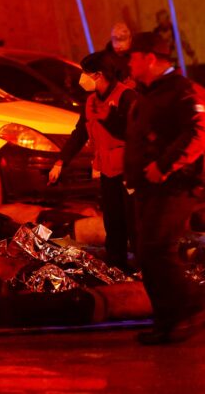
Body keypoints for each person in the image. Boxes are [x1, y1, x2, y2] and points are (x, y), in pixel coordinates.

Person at [125, 32, 205, 345]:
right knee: (147, 253)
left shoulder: (182, 91)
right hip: (148, 187)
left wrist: (163, 165)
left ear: (149, 58)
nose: (128, 63)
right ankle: (168, 321)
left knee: (157, 249)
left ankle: (192, 307)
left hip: (175, 185)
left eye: (132, 57)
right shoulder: (147, 93)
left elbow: (199, 132)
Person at [49, 51, 137, 273]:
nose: (82, 78)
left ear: (98, 74)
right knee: (113, 222)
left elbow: (137, 135)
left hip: (129, 171)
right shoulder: (90, 102)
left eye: (85, 73)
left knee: (134, 222)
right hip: (107, 171)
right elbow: (80, 133)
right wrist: (61, 161)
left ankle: (144, 269)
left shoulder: (127, 97)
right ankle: (116, 267)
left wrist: (113, 122)